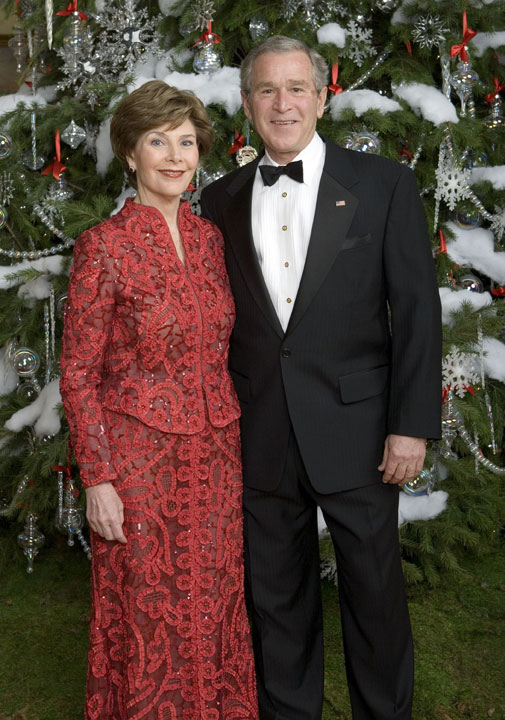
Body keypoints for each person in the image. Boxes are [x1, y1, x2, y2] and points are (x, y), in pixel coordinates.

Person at [200, 36, 442, 720]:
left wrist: (409, 425)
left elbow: (417, 311)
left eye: (297, 88)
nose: (284, 104)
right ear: (248, 105)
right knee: (275, 599)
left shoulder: (381, 184)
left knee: (373, 596)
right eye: (268, 91)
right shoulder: (217, 201)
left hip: (361, 431)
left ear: (321, 96)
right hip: (260, 430)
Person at [60, 80, 258, 720]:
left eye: (186, 141)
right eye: (157, 141)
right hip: (138, 463)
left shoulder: (209, 240)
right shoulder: (104, 246)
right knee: (148, 611)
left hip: (218, 457)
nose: (175, 156)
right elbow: (79, 374)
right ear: (130, 154)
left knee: (218, 600)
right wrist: (98, 478)